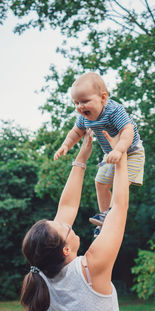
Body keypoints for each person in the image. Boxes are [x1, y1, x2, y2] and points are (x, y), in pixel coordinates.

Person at [17, 129, 129, 311]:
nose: (68, 224)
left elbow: (67, 206)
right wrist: (120, 152)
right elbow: (119, 207)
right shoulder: (91, 268)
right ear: (65, 249)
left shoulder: (42, 278)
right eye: (65, 228)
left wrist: (81, 157)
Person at [54, 72, 145, 235]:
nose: (80, 107)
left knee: (120, 185)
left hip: (132, 152)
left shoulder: (113, 110)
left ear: (103, 98)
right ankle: (105, 218)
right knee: (100, 182)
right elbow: (76, 132)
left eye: (85, 101)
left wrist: (119, 149)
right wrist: (65, 145)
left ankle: (114, 215)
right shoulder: (84, 118)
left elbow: (127, 130)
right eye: (76, 102)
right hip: (110, 154)